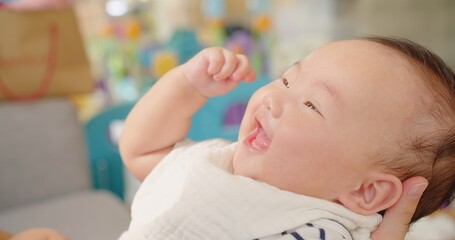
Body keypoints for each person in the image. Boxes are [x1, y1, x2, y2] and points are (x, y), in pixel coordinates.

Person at [119, 37, 454, 239]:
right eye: (287, 80)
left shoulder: (316, 228)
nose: (273, 98)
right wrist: (186, 86)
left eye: (311, 105)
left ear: (365, 191)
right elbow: (142, 150)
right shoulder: (217, 163)